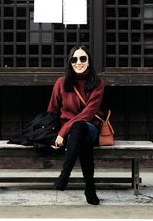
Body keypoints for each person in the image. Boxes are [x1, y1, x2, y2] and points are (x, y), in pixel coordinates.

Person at [47, 45, 105, 205]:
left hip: (90, 126)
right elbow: (52, 111)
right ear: (70, 62)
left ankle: (64, 175)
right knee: (82, 141)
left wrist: (63, 132)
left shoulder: (98, 84)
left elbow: (88, 113)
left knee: (80, 126)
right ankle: (90, 187)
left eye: (83, 58)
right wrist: (53, 134)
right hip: (70, 135)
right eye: (74, 59)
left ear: (89, 61)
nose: (78, 62)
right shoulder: (61, 83)